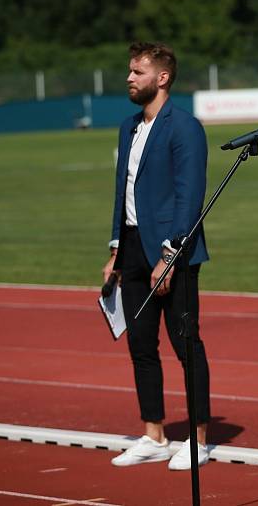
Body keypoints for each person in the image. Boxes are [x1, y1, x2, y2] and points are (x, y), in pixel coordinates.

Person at [102, 42, 211, 471]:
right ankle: (154, 434)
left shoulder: (184, 127)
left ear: (162, 78)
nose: (129, 78)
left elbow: (189, 196)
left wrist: (170, 251)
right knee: (140, 344)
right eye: (129, 71)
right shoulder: (128, 126)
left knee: (186, 343)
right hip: (131, 249)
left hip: (173, 251)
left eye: (137, 72)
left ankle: (199, 438)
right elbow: (121, 191)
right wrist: (115, 247)